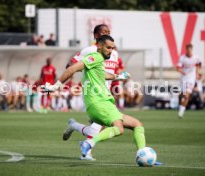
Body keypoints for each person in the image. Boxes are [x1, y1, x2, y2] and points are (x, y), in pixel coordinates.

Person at [45, 35, 146, 162]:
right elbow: (72, 68)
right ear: (99, 45)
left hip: (100, 103)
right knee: (118, 128)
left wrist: (118, 76)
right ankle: (88, 143)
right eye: (108, 47)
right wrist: (56, 86)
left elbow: (102, 74)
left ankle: (143, 154)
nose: (111, 50)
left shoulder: (98, 61)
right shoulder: (95, 57)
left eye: (112, 48)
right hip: (99, 102)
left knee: (137, 125)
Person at [63, 24, 124, 160]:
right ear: (96, 36)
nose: (107, 33)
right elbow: (70, 65)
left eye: (108, 32)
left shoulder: (114, 53)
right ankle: (86, 151)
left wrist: (118, 79)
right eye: (104, 32)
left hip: (106, 93)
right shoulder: (89, 50)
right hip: (93, 93)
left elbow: (110, 73)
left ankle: (74, 126)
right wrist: (81, 69)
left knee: (100, 127)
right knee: (109, 125)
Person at [177, 44, 200, 118]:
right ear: (186, 50)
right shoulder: (182, 58)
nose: (189, 51)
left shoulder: (196, 58)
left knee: (186, 95)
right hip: (183, 79)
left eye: (190, 50)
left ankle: (181, 112)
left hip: (191, 79)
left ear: (191, 50)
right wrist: (182, 72)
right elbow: (178, 68)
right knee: (181, 95)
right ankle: (181, 106)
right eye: (188, 50)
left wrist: (197, 73)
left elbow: (199, 65)